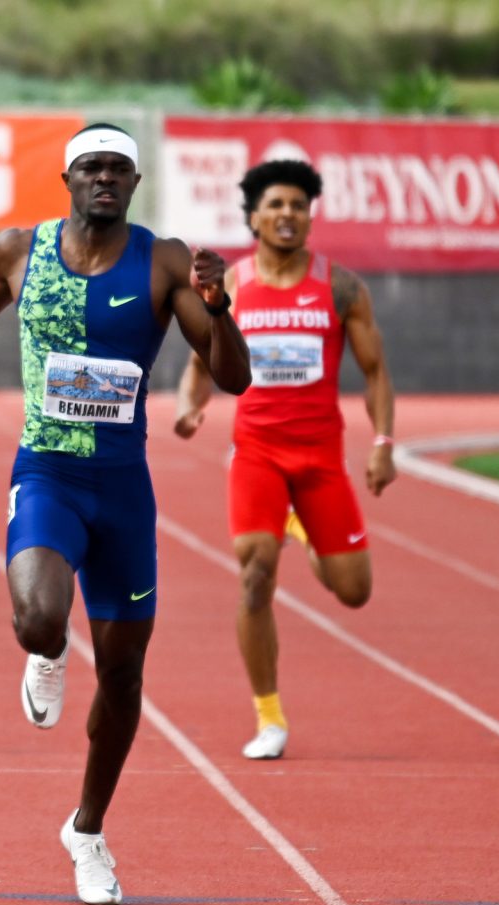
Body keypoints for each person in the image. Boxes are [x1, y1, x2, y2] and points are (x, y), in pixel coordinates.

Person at [0, 124, 251, 905]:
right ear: (66, 178)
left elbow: (233, 377)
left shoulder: (163, 261)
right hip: (49, 473)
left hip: (123, 488)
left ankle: (87, 829)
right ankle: (48, 649)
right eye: (91, 168)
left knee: (124, 673)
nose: (104, 179)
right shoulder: (18, 250)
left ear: (134, 184)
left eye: (118, 171)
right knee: (36, 619)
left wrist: (218, 306)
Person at [174, 159, 396, 761]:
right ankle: (268, 716)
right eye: (275, 205)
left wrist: (383, 444)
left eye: (298, 205)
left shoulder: (341, 287)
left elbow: (375, 372)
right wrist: (191, 407)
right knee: (255, 573)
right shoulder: (235, 288)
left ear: (310, 216)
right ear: (253, 217)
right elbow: (201, 360)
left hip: (322, 458)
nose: (287, 215)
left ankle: (304, 526)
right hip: (257, 454)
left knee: (354, 591)